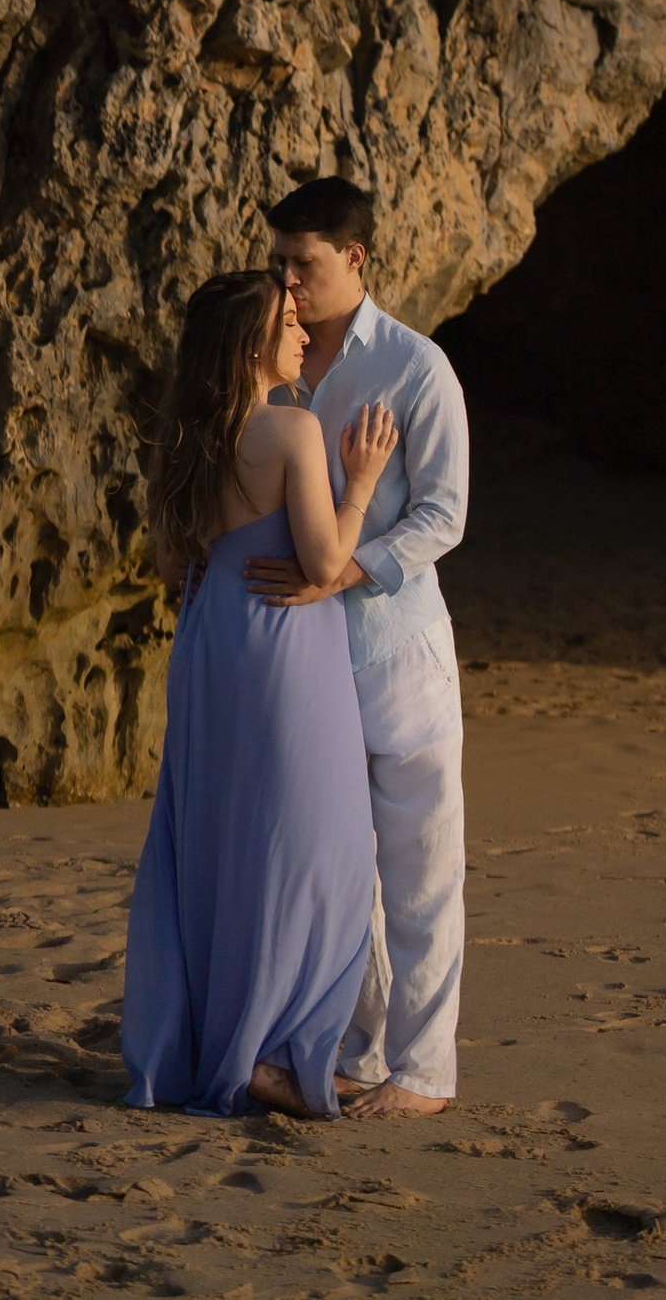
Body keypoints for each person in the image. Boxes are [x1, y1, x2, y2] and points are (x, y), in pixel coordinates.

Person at [121, 269, 400, 1119]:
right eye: (286, 324)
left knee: (217, 840)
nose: (302, 337)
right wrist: (362, 485)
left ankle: (225, 1043)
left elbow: (174, 565)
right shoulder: (292, 430)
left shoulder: (182, 440)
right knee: (318, 845)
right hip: (285, 650)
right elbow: (322, 565)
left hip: (210, 642)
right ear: (250, 344)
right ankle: (268, 1053)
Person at [248, 174, 469, 1119]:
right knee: (345, 876)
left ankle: (425, 1076)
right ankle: (360, 1054)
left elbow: (445, 515)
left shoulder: (418, 369)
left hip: (399, 650)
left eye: (305, 264)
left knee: (421, 869)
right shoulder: (277, 359)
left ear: (356, 258)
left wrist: (346, 569)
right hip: (307, 660)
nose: (289, 284)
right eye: (280, 264)